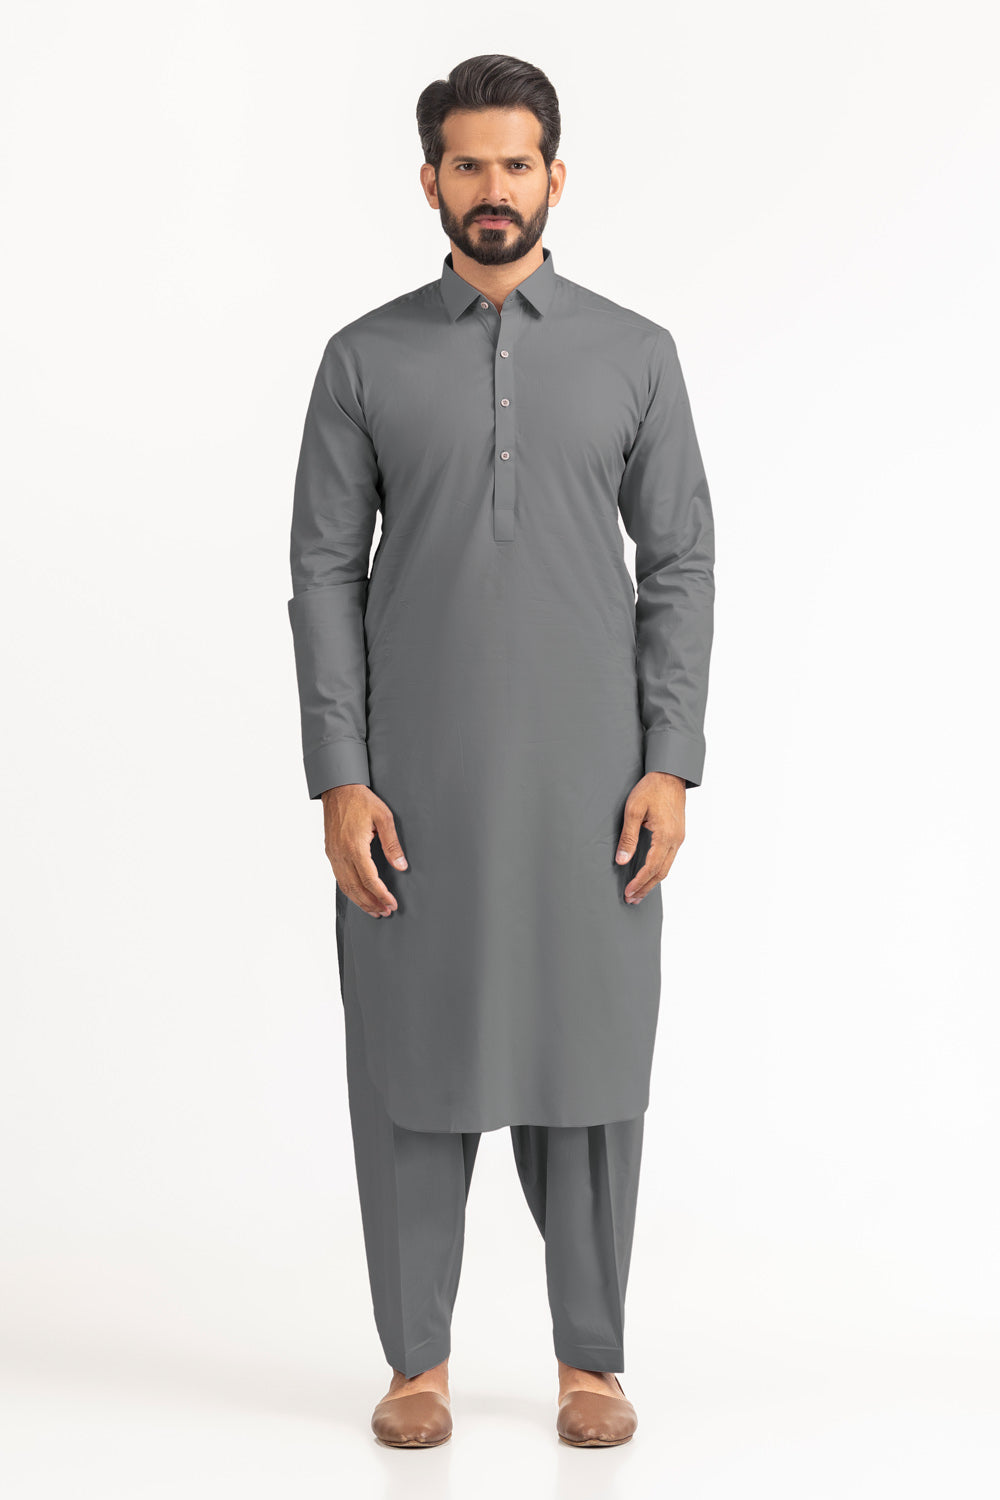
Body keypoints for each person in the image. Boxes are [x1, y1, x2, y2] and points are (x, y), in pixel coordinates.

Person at [287, 53, 715, 1448]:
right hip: (417, 786)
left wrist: (670, 759)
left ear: (555, 177)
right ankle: (416, 1365)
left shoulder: (635, 354)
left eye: (514, 164)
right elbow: (324, 569)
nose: (492, 188)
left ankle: (593, 1364)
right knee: (412, 1065)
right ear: (429, 180)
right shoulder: (364, 358)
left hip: (595, 787)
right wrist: (341, 776)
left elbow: (681, 562)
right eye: (466, 164)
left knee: (589, 1069)